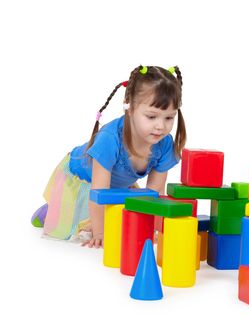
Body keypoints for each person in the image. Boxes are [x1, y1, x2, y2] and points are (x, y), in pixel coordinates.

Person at [31, 65, 186, 249]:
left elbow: (154, 193)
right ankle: (52, 209)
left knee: (124, 219)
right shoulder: (110, 139)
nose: (161, 126)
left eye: (169, 118)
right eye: (151, 117)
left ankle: (72, 212)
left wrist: (153, 229)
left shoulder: (164, 144)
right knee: (71, 226)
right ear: (129, 107)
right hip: (83, 180)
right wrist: (100, 233)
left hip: (117, 185)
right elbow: (98, 192)